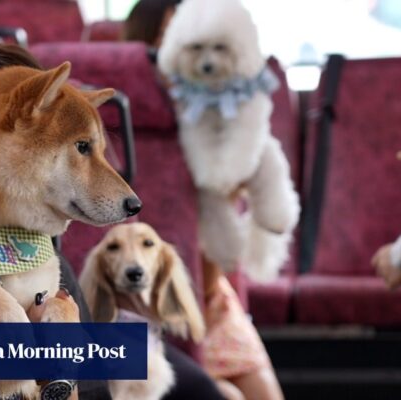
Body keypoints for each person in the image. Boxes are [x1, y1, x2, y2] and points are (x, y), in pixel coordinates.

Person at [123, 2, 285, 399]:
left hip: (209, 298)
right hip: (137, 305)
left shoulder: (224, 123)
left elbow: (216, 262)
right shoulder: (111, 121)